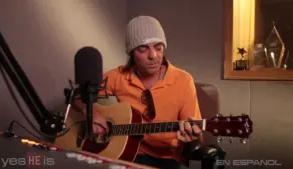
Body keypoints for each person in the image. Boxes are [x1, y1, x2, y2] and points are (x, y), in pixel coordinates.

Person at [74, 16, 203, 169]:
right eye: (143, 49)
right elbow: (78, 96)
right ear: (132, 53)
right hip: (130, 153)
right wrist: (94, 113)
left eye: (158, 47)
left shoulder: (183, 80)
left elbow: (197, 134)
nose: (153, 56)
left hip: (168, 157)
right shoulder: (118, 76)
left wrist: (193, 138)